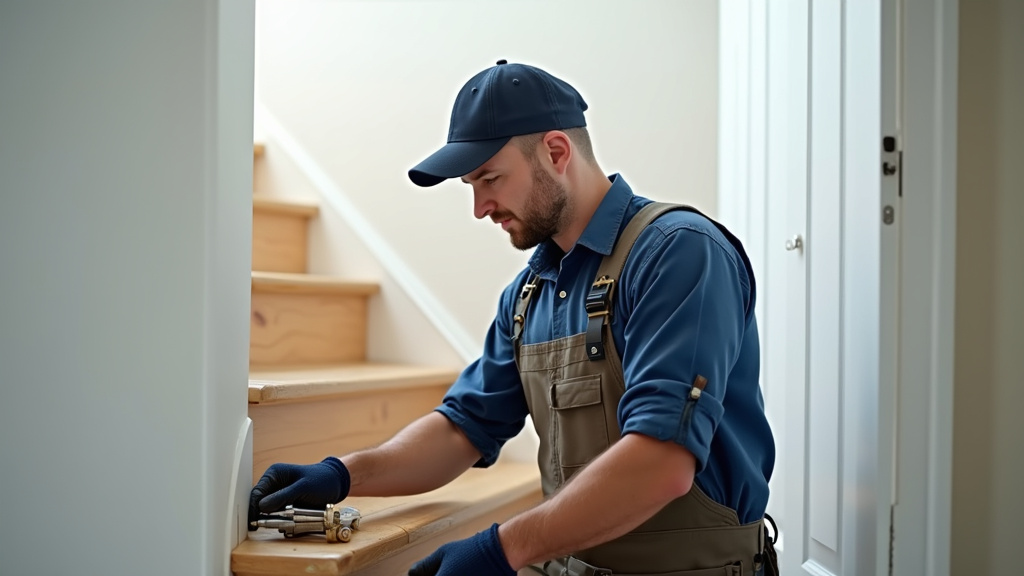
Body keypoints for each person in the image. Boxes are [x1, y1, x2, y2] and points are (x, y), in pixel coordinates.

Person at [249, 60, 777, 576]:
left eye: (491, 178)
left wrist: (502, 549)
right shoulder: (528, 296)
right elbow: (462, 429)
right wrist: (342, 474)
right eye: (471, 186)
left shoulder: (678, 253)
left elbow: (662, 464)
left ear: (556, 151)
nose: (480, 207)